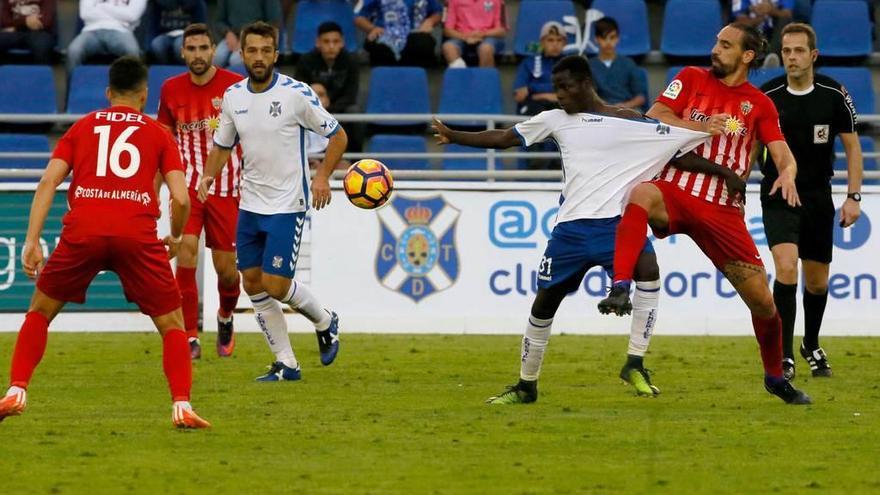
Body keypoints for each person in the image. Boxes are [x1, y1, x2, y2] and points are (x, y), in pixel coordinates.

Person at [433, 55, 747, 403]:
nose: (559, 96)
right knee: (544, 303)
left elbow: (678, 155)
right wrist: (455, 135)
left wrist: (725, 173)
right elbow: (505, 137)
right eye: (555, 89)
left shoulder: (630, 121)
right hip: (569, 231)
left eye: (565, 88)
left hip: (616, 225)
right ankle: (526, 385)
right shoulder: (554, 120)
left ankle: (635, 363)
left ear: (585, 83)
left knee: (649, 271)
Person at [599, 23, 812, 405]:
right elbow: (655, 115)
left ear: (746, 56)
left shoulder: (759, 104)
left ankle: (775, 377)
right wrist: (697, 124)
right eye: (716, 42)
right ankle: (619, 285)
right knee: (640, 193)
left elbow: (780, 151)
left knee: (764, 303)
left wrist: (789, 173)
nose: (716, 49)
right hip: (676, 189)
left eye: (725, 45)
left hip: (723, 211)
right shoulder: (690, 78)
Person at [0, 56, 210, 428]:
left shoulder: (82, 127)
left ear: (108, 92)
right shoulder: (159, 133)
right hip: (137, 234)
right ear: (144, 96)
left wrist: (32, 240)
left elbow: (48, 182)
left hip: (84, 230)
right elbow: (181, 198)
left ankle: (16, 390)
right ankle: (181, 405)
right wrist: (176, 236)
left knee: (40, 312)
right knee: (172, 324)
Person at [199, 22, 346, 381]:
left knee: (276, 285)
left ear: (276, 55)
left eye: (267, 51)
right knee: (251, 283)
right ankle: (287, 363)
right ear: (243, 54)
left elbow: (338, 135)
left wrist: (322, 177)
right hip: (250, 203)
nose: (259, 57)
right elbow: (223, 145)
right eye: (252, 50)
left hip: (287, 203)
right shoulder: (234, 97)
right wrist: (208, 175)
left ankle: (326, 320)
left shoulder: (296, 94)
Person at [759, 23, 862, 381]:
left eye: (798, 51)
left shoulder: (834, 94)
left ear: (813, 55)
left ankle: (810, 344)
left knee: (816, 283)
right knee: (786, 268)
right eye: (786, 51)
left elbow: (852, 148)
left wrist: (853, 197)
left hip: (818, 195)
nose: (791, 57)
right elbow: (748, 147)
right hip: (777, 193)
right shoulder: (767, 94)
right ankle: (784, 355)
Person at [157, 23, 244, 359]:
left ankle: (225, 316)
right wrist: (155, 189)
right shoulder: (170, 89)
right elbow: (162, 142)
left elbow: (250, 135)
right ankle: (190, 336)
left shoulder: (236, 87)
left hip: (227, 189)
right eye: (191, 49)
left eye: (203, 48)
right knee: (186, 253)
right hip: (188, 188)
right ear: (182, 52)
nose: (197, 55)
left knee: (227, 270)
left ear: (214, 50)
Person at [294, 21, 360, 114]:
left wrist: (330, 108)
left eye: (336, 41)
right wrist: (316, 102)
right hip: (313, 106)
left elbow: (351, 95)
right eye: (326, 41)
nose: (331, 46)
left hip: (340, 108)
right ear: (318, 42)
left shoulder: (351, 61)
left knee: (353, 110)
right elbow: (299, 91)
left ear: (342, 43)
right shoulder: (306, 60)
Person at [354, 0, 442, 67]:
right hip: (385, 33)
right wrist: (372, 28)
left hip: (416, 34)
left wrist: (430, 21)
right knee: (380, 46)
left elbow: (437, 12)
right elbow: (357, 16)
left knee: (423, 45)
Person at [66, 0, 146, 73]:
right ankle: (72, 87)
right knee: (73, 51)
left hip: (121, 30)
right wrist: (120, 14)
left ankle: (133, 88)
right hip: (91, 30)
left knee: (132, 51)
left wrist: (103, 7)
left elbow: (132, 16)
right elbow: (85, 14)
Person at [588, 17, 647, 111]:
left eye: (612, 37)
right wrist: (606, 107)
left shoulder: (628, 64)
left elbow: (641, 97)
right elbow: (589, 96)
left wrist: (625, 106)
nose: (608, 42)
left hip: (627, 111)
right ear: (596, 39)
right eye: (603, 38)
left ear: (618, 38)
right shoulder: (589, 66)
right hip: (601, 113)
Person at [212, 0, 281, 68]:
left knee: (235, 60)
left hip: (257, 36)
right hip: (233, 35)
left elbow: (273, 22)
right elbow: (219, 21)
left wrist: (246, 37)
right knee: (218, 57)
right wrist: (227, 32)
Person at [442, 0, 507, 68]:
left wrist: (482, 34)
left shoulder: (499, 1)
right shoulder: (450, 1)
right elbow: (447, 30)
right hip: (461, 36)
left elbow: (501, 30)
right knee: (448, 47)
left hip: (488, 36)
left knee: (486, 49)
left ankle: (483, 78)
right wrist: (466, 37)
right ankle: (462, 76)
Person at [146, 0, 207, 64]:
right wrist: (148, 49)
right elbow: (152, 28)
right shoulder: (158, 3)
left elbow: (201, 30)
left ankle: (186, 69)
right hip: (165, 34)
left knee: (179, 45)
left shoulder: (197, 3)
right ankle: (166, 69)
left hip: (189, 36)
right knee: (157, 44)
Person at [0, 0, 56, 64]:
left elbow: (45, 22)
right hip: (15, 32)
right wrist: (25, 21)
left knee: (42, 46)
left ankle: (39, 73)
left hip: (39, 33)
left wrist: (16, 25)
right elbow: (4, 22)